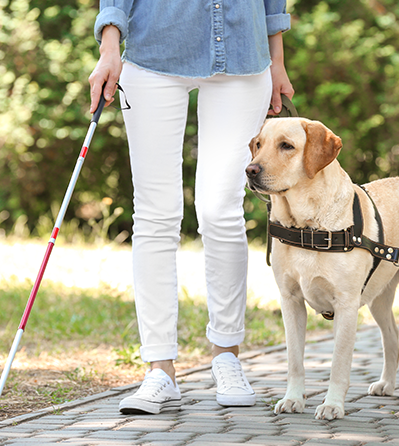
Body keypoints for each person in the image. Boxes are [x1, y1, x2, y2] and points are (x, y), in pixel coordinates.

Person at [88, 1, 294, 414]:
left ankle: (227, 356)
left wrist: (277, 60)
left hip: (243, 55)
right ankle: (159, 368)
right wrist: (110, 44)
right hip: (152, 53)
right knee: (155, 214)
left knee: (221, 209)